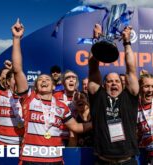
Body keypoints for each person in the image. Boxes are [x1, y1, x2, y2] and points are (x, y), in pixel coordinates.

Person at [8, 19, 91, 164]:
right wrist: (16, 39)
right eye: (40, 80)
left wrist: (100, 122)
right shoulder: (29, 98)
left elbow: (76, 127)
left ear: (54, 86)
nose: (44, 80)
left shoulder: (62, 107)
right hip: (30, 160)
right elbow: (17, 70)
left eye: (47, 79)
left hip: (55, 160)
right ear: (35, 86)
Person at [88, 24, 139, 164]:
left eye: (117, 81)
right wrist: (96, 41)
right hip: (103, 161)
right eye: (110, 81)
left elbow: (131, 70)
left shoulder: (130, 96)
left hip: (127, 160)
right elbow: (93, 68)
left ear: (122, 84)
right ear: (104, 85)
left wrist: (127, 42)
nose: (114, 83)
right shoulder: (98, 96)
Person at [54, 70, 79, 146]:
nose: (71, 80)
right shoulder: (55, 96)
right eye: (68, 78)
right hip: (58, 136)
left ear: (76, 83)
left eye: (73, 78)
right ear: (63, 82)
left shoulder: (81, 97)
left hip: (76, 136)